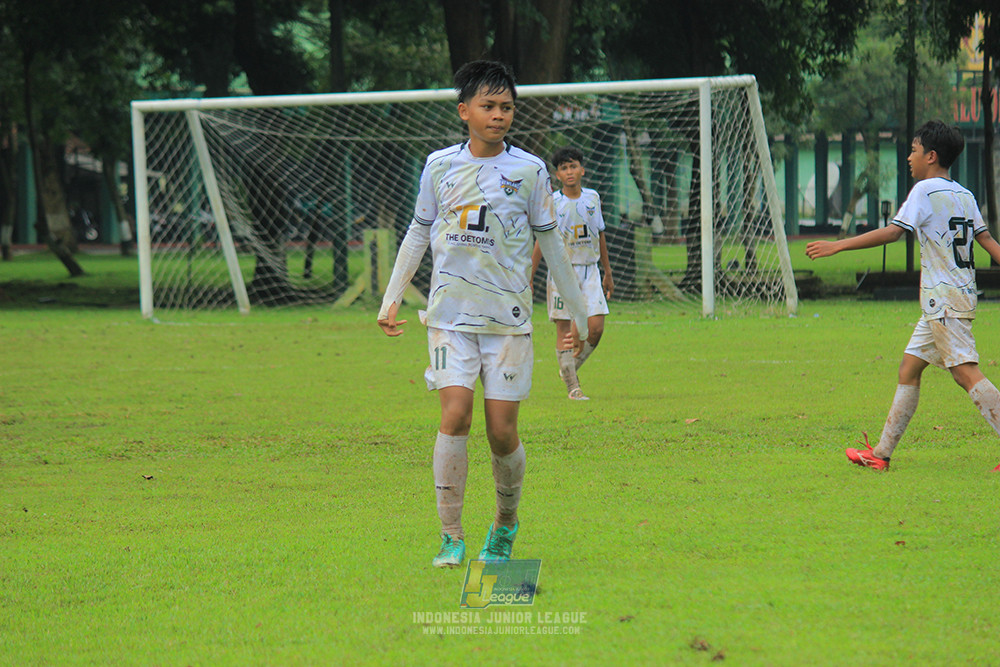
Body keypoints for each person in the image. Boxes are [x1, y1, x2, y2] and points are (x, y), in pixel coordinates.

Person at [377, 60, 590, 568]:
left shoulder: (532, 170)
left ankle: (506, 521)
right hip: (449, 316)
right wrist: (390, 298)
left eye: (506, 107)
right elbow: (418, 232)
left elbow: (552, 248)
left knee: (500, 432)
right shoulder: (438, 166)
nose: (498, 115)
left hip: (508, 322)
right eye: (488, 106)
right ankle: (451, 536)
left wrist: (579, 318)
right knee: (455, 415)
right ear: (464, 111)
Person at [806, 120, 1000, 471]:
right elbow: (988, 244)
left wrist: (838, 245)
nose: (908, 157)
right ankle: (880, 455)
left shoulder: (925, 192)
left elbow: (894, 233)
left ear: (931, 155)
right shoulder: (965, 195)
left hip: (943, 301)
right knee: (909, 369)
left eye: (912, 150)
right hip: (950, 299)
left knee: (965, 373)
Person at [531, 147, 613, 400]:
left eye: (573, 166)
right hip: (562, 272)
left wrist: (607, 272)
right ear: (557, 175)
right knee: (567, 332)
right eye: (564, 168)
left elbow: (599, 233)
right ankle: (573, 388)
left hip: (590, 270)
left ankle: (568, 370)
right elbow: (541, 240)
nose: (569, 172)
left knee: (595, 328)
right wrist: (530, 275)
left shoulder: (593, 198)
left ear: (582, 169)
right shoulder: (553, 202)